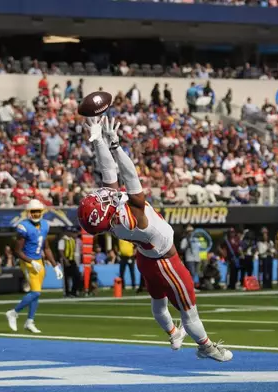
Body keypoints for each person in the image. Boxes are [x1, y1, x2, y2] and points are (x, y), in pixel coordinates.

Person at [76, 115, 232, 362]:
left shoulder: (113, 222)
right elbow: (130, 174)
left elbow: (107, 170)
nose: (102, 196)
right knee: (189, 311)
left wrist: (97, 140)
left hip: (146, 260)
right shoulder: (133, 216)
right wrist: (115, 145)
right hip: (166, 261)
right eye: (100, 202)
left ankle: (172, 333)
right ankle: (207, 347)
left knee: (159, 305)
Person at [5, 199, 63, 333]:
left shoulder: (45, 225)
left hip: (39, 262)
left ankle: (30, 321)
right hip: (27, 262)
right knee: (36, 292)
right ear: (28, 212)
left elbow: (46, 247)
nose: (36, 214)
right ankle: (13, 312)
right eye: (33, 211)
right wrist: (31, 262)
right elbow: (17, 251)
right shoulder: (23, 226)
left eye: (38, 211)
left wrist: (55, 266)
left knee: (35, 294)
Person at [59, 227, 81, 297]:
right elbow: (61, 250)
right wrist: (65, 260)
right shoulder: (63, 240)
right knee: (66, 277)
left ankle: (73, 292)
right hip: (66, 259)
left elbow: (73, 251)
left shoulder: (72, 240)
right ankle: (66, 293)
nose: (71, 233)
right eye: (70, 232)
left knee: (77, 275)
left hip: (72, 259)